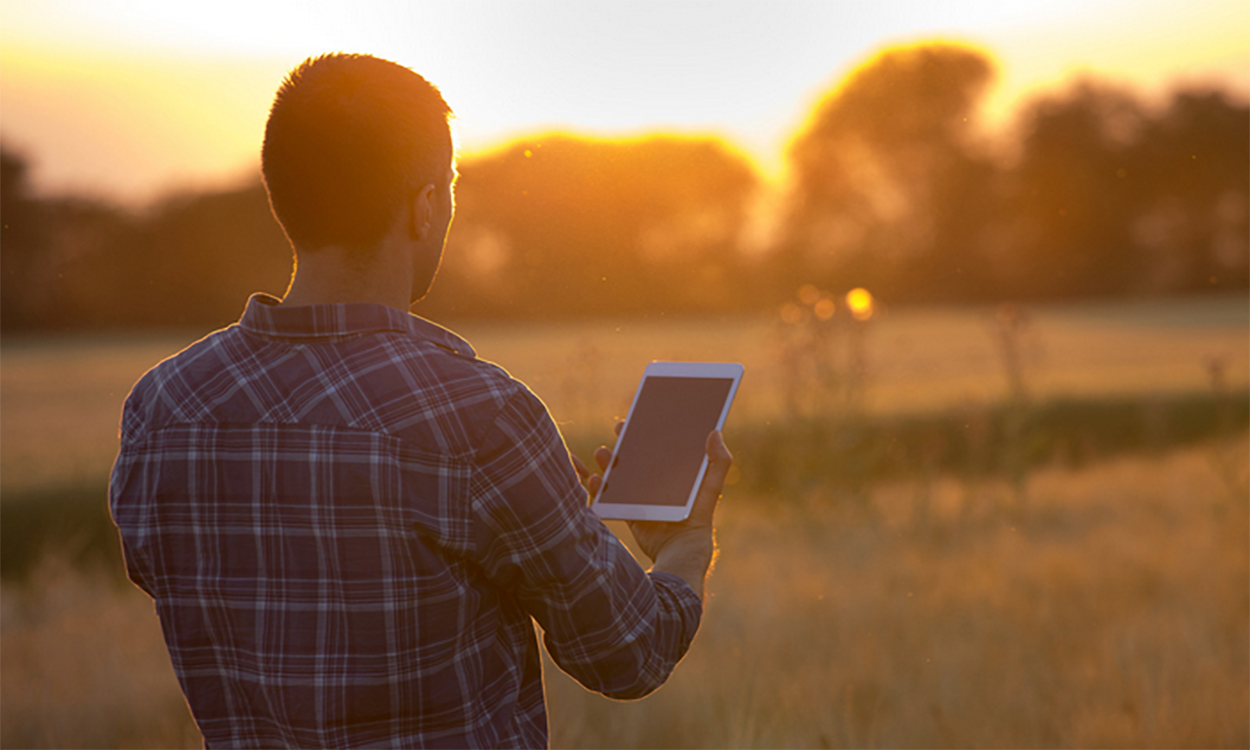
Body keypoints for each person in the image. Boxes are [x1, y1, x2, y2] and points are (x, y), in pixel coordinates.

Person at [109, 52, 731, 748]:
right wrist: (685, 543)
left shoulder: (163, 411)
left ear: (283, 193)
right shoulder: (479, 417)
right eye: (450, 188)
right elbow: (629, 651)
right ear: (426, 205)